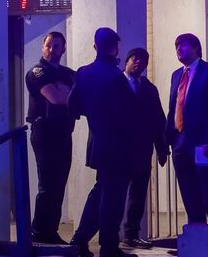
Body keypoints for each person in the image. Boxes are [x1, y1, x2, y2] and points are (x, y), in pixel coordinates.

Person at [69, 28, 135, 257]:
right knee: (113, 198)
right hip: (118, 145)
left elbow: (73, 106)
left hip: (97, 143)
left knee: (100, 193)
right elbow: (126, 115)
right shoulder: (116, 76)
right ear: (115, 48)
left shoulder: (83, 73)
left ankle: (79, 240)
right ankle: (108, 246)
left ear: (95, 46)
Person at [164, 33, 208, 225]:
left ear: (196, 48)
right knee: (188, 189)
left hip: (204, 143)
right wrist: (169, 140)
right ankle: (196, 230)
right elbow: (173, 107)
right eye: (176, 46)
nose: (178, 49)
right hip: (180, 142)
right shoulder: (177, 75)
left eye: (183, 45)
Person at [25, 31, 76, 244]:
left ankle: (51, 231)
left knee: (60, 183)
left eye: (57, 46)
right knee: (47, 184)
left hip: (64, 132)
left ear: (63, 49)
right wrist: (66, 90)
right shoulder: (37, 72)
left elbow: (78, 96)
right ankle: (39, 231)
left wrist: (67, 90)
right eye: (49, 45)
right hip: (44, 132)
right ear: (42, 47)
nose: (52, 50)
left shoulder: (69, 73)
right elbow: (56, 97)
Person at [120, 48, 168, 249]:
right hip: (119, 149)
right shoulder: (116, 84)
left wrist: (162, 147)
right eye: (134, 59)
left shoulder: (149, 88)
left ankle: (131, 233)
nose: (139, 63)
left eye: (143, 60)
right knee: (115, 193)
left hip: (142, 149)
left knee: (138, 194)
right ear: (127, 61)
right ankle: (110, 234)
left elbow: (158, 118)